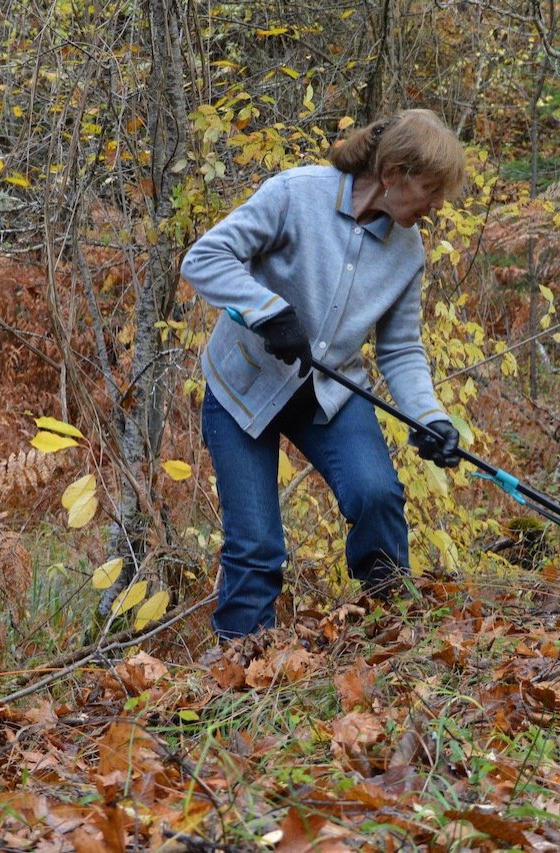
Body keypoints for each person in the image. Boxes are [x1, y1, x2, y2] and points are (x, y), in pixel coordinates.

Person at [180, 108, 467, 640]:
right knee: (257, 546)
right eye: (430, 189)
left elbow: (400, 348)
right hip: (243, 389)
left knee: (377, 495)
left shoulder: (407, 250)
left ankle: (392, 631)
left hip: (329, 390)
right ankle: (241, 665)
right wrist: (267, 310)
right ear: (392, 175)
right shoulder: (295, 194)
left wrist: (430, 418)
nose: (436, 205)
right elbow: (204, 258)